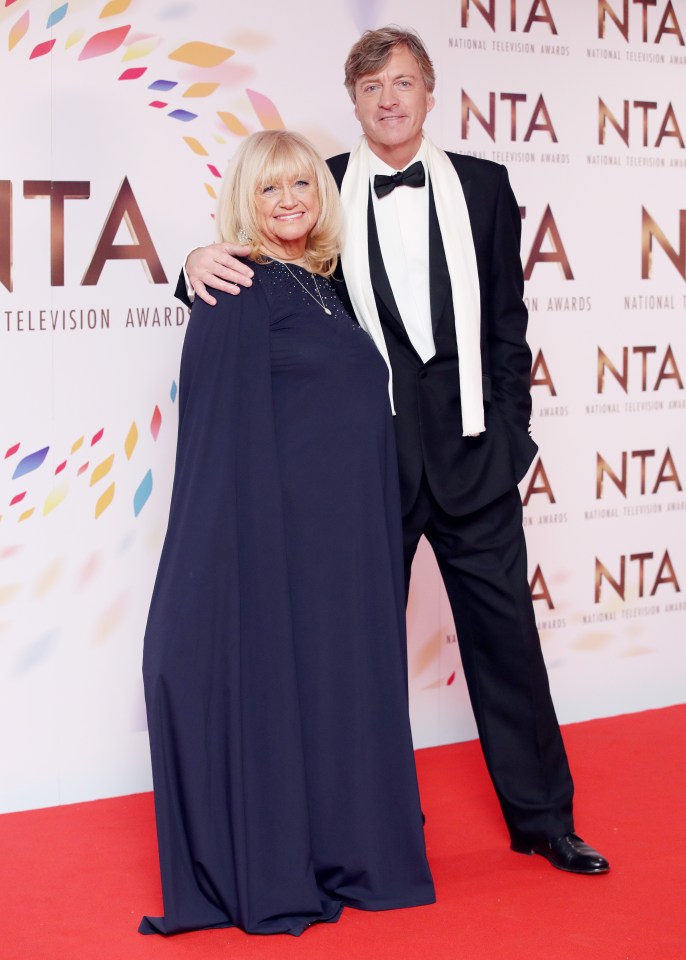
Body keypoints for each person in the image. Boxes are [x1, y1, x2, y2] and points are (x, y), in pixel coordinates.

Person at [181, 27, 610, 877]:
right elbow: (258, 257)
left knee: (509, 645)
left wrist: (513, 436)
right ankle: (368, 823)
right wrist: (191, 260)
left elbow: (506, 327)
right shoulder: (322, 184)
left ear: (428, 92)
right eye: (372, 86)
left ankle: (544, 820)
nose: (388, 99)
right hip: (361, 471)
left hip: (475, 462)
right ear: (354, 101)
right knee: (353, 653)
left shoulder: (485, 188)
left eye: (403, 83)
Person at [139, 129, 435, 938]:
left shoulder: (324, 285)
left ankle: (346, 843)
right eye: (268, 190)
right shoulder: (236, 285)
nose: (289, 201)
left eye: (301, 184)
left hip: (345, 544)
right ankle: (279, 855)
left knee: (337, 692)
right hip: (287, 546)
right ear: (245, 201)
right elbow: (212, 441)